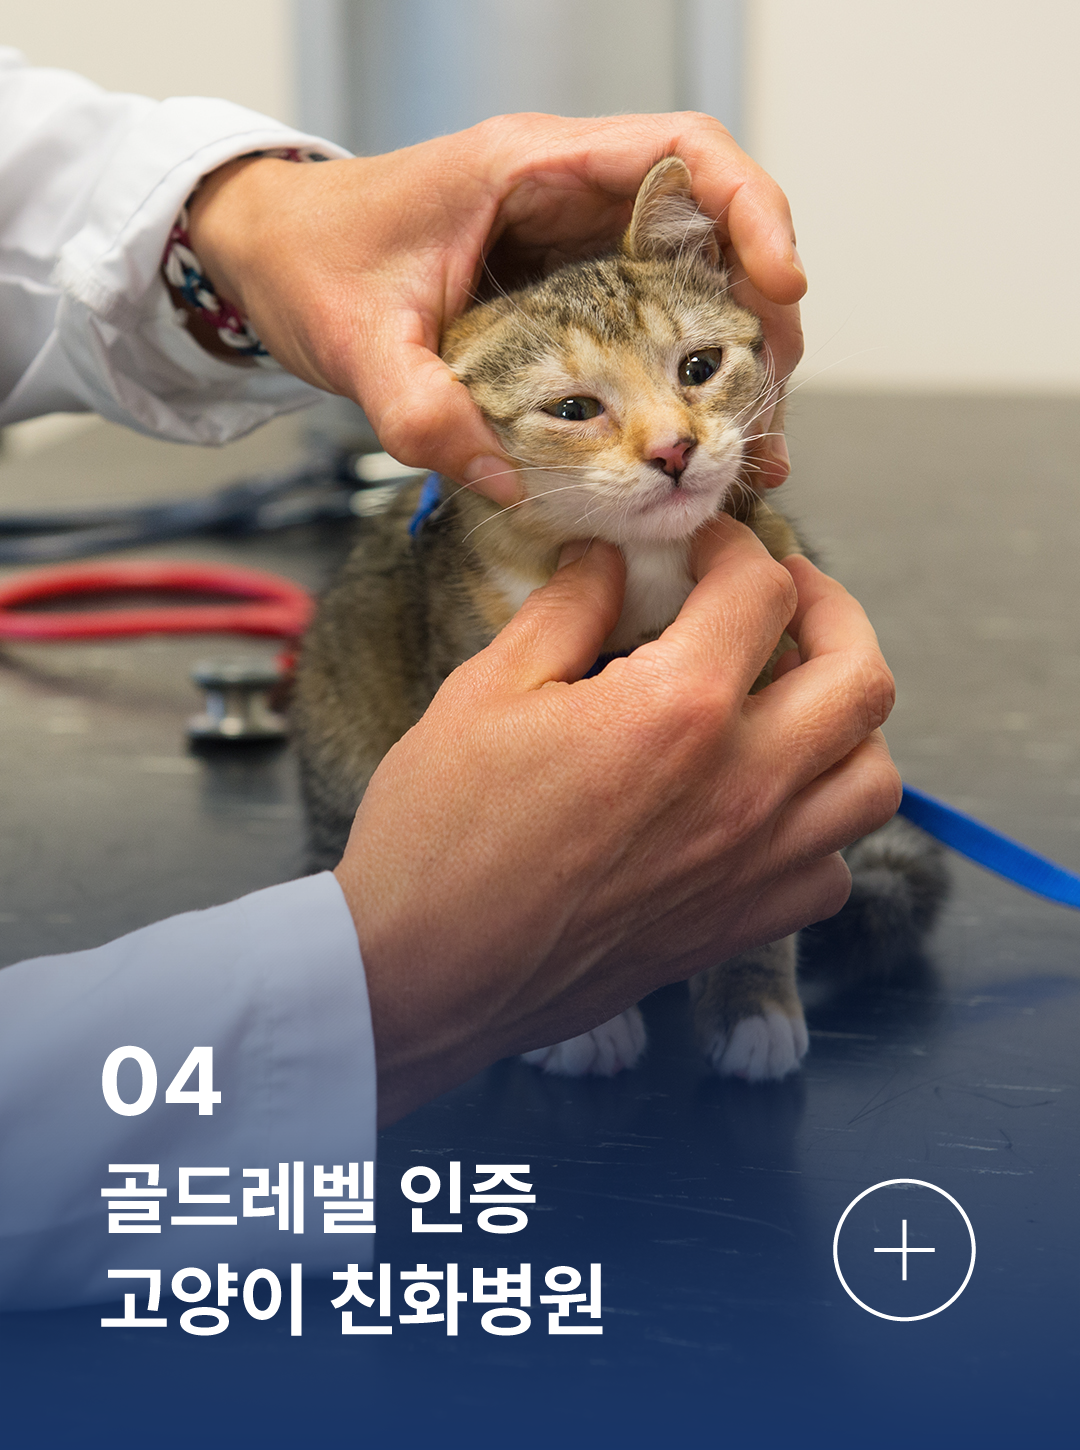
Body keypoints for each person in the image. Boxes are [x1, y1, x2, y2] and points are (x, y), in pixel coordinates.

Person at [0, 49, 900, 1307]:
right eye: (579, 408)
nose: (673, 440)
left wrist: (248, 217)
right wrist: (401, 971)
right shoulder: (473, 561)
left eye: (700, 370)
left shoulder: (735, 519)